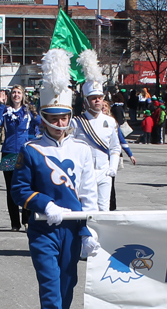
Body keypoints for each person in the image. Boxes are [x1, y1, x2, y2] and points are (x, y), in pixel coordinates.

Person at [10, 48, 99, 309]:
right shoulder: (30, 147)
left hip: (73, 229)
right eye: (54, 116)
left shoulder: (81, 149)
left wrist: (89, 231)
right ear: (44, 116)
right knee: (49, 289)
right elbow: (18, 188)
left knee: (66, 287)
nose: (60, 123)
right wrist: (43, 203)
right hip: (43, 228)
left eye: (64, 116)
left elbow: (89, 194)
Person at [70, 49, 121, 211]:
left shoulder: (110, 121)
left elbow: (115, 147)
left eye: (99, 97)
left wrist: (112, 167)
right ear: (86, 101)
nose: (98, 100)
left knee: (104, 209)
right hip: (86, 172)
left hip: (104, 171)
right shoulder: (77, 123)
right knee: (87, 209)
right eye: (93, 98)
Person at [0, 84, 38, 231]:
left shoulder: (28, 111)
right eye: (14, 92)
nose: (16, 95)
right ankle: (15, 223)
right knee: (10, 189)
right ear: (10, 95)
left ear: (23, 96)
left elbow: (40, 123)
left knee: (26, 186)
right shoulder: (4, 110)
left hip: (24, 153)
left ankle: (26, 220)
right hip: (8, 153)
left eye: (19, 93)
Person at [103, 100, 136, 211]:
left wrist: (130, 155)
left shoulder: (113, 122)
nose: (103, 108)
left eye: (105, 106)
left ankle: (111, 206)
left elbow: (121, 139)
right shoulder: (91, 121)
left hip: (110, 158)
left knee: (110, 183)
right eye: (102, 106)